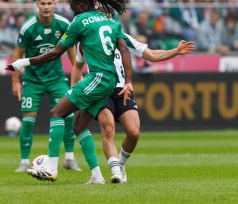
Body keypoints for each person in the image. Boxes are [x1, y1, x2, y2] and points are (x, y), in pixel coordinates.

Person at [6, 0, 133, 183]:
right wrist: (128, 81)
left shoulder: (79, 21)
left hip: (97, 78)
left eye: (73, 7)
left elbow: (56, 52)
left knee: (57, 112)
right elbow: (125, 51)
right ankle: (97, 176)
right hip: (111, 81)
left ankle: (50, 168)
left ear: (81, 5)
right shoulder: (110, 21)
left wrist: (22, 62)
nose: (73, 11)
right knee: (79, 125)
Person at [72, 33, 195, 183]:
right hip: (100, 90)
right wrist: (74, 93)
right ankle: (115, 172)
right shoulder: (85, 39)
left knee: (134, 132)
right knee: (108, 128)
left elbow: (150, 54)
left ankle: (121, 165)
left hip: (123, 90)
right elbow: (77, 66)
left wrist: (175, 51)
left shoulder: (121, 37)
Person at [11, 0, 92, 176]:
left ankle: (70, 158)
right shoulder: (28, 27)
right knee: (28, 121)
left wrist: (77, 77)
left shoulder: (64, 24)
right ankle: (24, 161)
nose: (46, 7)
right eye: (43, 3)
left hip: (56, 79)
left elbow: (72, 51)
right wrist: (16, 81)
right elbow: (17, 55)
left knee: (69, 117)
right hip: (33, 80)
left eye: (49, 3)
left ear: (54, 4)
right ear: (37, 4)